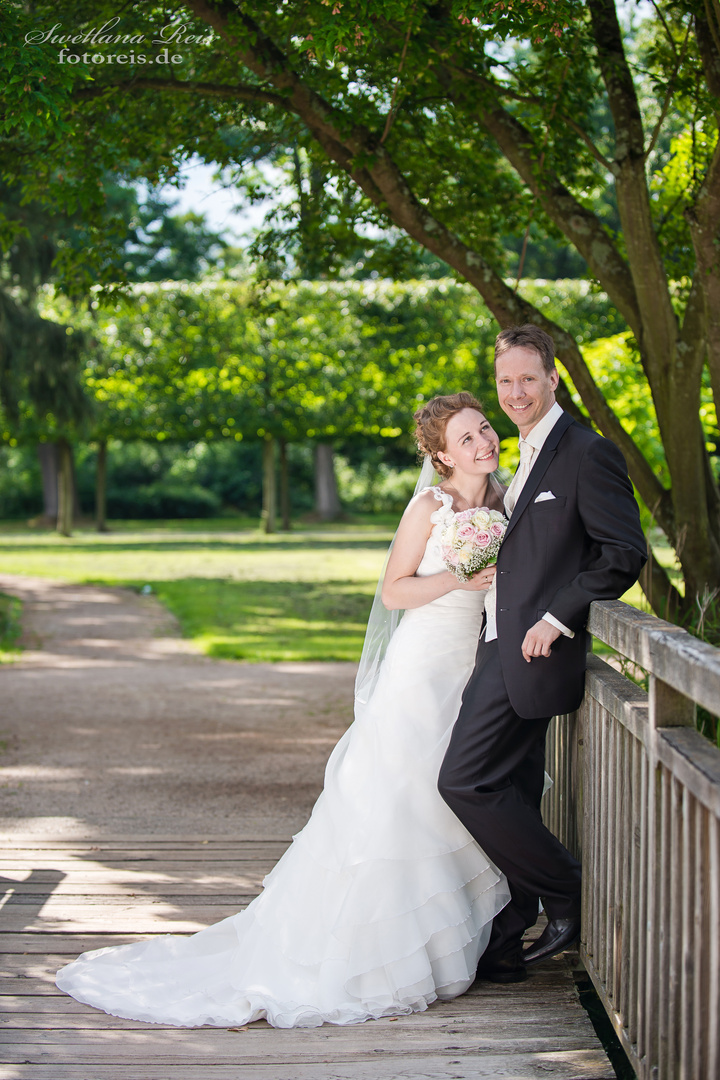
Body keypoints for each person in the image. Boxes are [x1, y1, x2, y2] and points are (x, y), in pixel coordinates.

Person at [56, 392, 513, 1029]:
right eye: (466, 438)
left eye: (484, 429)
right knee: (401, 803)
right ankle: (377, 958)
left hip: (476, 670)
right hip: (422, 672)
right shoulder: (428, 507)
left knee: (456, 798)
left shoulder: (506, 501)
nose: (483, 442)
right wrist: (457, 579)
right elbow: (394, 590)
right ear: (441, 455)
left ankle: (447, 947)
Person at [438, 325, 647, 985]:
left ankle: (566, 893)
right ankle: (505, 941)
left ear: (554, 379)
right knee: (513, 789)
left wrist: (559, 616)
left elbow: (623, 553)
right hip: (495, 644)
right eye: (506, 380)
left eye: (529, 378)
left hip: (529, 653)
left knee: (463, 781)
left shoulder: (587, 453)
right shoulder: (520, 453)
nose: (516, 391)